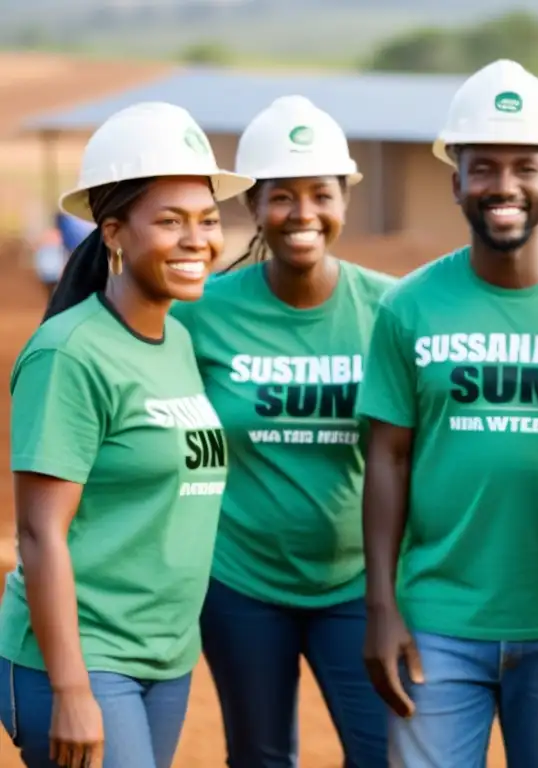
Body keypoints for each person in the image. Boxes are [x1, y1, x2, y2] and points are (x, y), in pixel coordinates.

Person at [355, 58, 538, 768]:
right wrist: (381, 606)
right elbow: (388, 456)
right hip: (437, 622)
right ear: (455, 178)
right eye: (483, 167)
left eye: (524, 166)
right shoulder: (409, 306)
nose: (504, 186)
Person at [0, 101, 253, 768]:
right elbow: (39, 532)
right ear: (114, 233)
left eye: (207, 219)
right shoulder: (70, 354)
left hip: (163, 658)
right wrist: (72, 689)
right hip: (83, 661)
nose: (197, 239)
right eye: (170, 221)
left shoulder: (175, 341)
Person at [171, 95, 393, 768]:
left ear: (345, 198)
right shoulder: (200, 313)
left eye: (320, 194)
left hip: (358, 585)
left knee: (387, 753)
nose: (302, 215)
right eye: (281, 196)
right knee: (260, 758)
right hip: (239, 584)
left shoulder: (392, 310)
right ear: (253, 206)